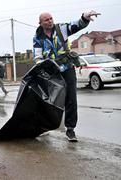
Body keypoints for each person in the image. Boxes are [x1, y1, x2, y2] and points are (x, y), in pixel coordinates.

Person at [33, 11, 100, 142]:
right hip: (52, 71)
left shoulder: (61, 28)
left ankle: (70, 130)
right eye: (46, 20)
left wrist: (84, 18)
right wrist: (42, 67)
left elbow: (76, 25)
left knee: (71, 98)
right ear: (40, 23)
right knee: (48, 100)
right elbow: (37, 57)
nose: (50, 21)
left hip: (67, 67)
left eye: (51, 18)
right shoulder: (38, 37)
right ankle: (43, 127)